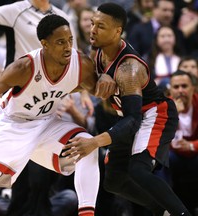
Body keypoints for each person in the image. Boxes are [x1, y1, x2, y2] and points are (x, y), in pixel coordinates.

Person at [0, 14, 115, 216]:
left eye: (70, 40)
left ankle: (87, 213)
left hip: (45, 124)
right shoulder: (23, 68)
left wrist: (106, 77)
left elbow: (97, 88)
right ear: (45, 44)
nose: (67, 47)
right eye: (60, 42)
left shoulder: (79, 63)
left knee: (87, 144)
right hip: (10, 125)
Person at [63, 3, 192, 215]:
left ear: (117, 32)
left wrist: (95, 142)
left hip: (154, 114)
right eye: (93, 23)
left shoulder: (128, 69)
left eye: (100, 26)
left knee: (138, 170)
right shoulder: (99, 52)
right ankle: (161, 211)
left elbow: (133, 121)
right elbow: (91, 85)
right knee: (113, 181)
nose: (92, 30)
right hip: (130, 116)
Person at [167, 70, 198, 215]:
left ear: (193, 88)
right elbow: (157, 139)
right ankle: (166, 209)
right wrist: (174, 114)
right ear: (170, 89)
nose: (180, 91)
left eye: (184, 86)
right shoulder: (164, 107)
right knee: (162, 162)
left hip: (196, 153)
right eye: (176, 87)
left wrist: (192, 145)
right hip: (172, 155)